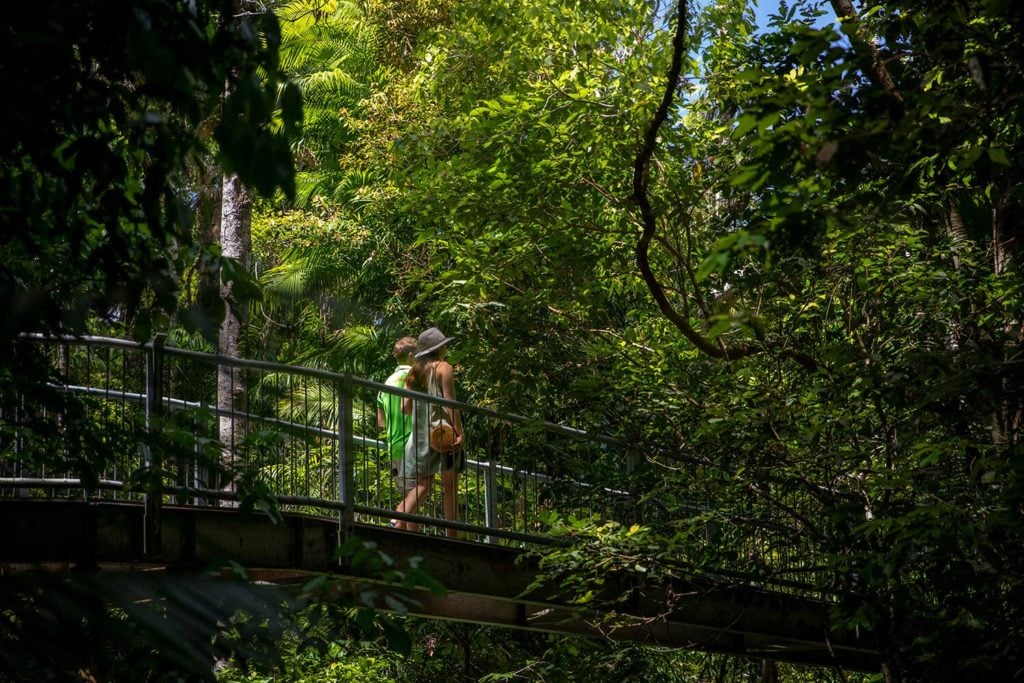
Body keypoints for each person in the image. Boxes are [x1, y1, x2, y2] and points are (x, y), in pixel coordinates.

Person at [393, 327, 464, 536]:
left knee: (424, 483)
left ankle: (401, 519)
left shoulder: (414, 372)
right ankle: (452, 535)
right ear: (439, 348)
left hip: (421, 437)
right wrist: (459, 432)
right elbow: (450, 402)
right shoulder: (444, 367)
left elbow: (404, 408)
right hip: (443, 435)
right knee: (449, 487)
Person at [377, 336, 418, 524]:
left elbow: (381, 422)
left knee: (410, 498)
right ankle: (394, 522)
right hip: (413, 443)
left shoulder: (386, 383)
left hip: (394, 446)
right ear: (411, 355)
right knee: (416, 495)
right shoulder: (416, 378)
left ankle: (407, 538)